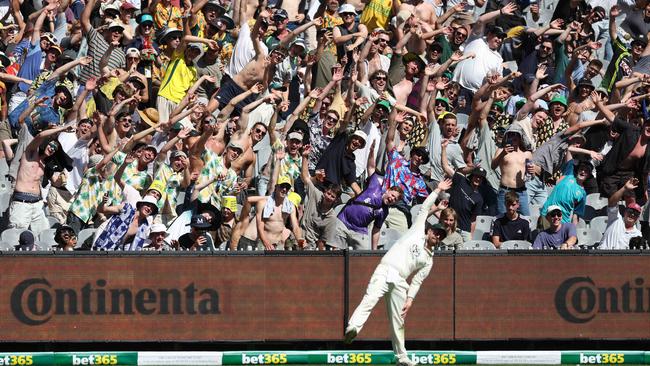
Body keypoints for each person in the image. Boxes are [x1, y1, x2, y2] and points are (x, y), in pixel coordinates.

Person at [344, 178, 452, 366]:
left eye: (440, 236)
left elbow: (417, 281)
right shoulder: (418, 230)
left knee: (398, 321)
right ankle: (353, 327)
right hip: (386, 270)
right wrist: (437, 191)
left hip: (401, 281)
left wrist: (410, 299)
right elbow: (425, 208)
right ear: (430, 231)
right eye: (435, 232)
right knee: (370, 299)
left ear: (441, 239)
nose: (436, 236)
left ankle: (401, 357)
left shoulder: (429, 259)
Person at [600, 178, 643, 250]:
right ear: (625, 212)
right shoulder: (615, 219)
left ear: (637, 218)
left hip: (622, 260)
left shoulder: (638, 234)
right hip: (602, 257)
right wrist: (624, 188)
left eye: (635, 214)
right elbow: (612, 202)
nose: (632, 215)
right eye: (630, 211)